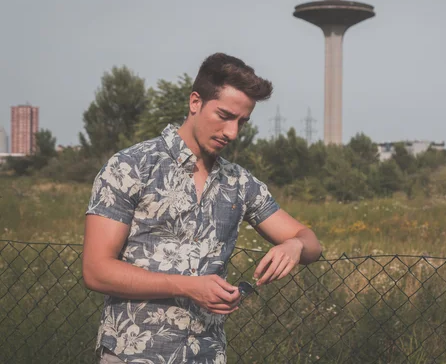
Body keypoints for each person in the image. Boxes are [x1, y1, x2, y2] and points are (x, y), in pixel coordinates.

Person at [82, 53, 322, 364]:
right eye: (224, 115)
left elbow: (312, 242)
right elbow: (96, 270)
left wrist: (295, 245)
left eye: (242, 122)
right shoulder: (131, 166)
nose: (232, 133)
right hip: (132, 355)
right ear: (195, 102)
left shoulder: (239, 182)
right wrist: (188, 286)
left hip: (207, 356)